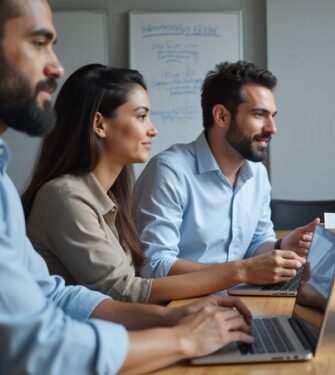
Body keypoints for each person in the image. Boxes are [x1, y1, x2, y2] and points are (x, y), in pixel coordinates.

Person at [0, 1, 254, 373]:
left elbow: (53, 294)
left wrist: (171, 320)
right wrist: (184, 338)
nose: (56, 67)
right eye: (38, 42)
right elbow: (38, 348)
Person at [22, 64, 255, 303]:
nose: (153, 130)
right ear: (100, 124)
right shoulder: (64, 197)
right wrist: (240, 273)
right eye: (141, 116)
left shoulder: (109, 196)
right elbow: (124, 291)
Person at [133, 61, 318, 286]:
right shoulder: (169, 172)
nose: (272, 128)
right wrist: (241, 272)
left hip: (236, 297)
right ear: (221, 116)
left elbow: (257, 243)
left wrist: (282, 246)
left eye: (273, 116)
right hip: (182, 306)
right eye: (260, 115)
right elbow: (155, 265)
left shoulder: (257, 173)